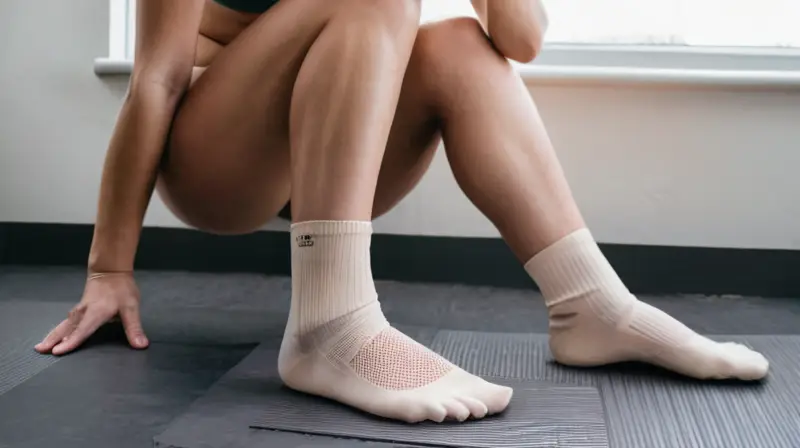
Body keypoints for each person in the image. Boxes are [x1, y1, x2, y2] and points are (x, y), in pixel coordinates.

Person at [35, 0, 768, 423]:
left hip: (332, 150)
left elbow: (521, 40)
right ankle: (329, 324)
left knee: (456, 46)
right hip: (217, 154)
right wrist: (109, 266)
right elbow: (156, 78)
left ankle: (589, 304)